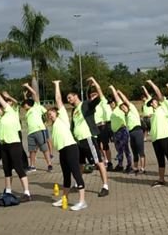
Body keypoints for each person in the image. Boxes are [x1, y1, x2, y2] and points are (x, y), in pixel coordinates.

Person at [0, 86, 31, 201]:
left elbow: (0, 99)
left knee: (18, 167)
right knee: (6, 169)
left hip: (14, 144)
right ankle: (8, 191)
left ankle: (26, 192)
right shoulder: (1, 119)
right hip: (4, 145)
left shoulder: (10, 112)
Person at [49, 80, 87, 211]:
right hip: (63, 151)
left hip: (71, 148)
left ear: (57, 113)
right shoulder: (54, 125)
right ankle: (64, 198)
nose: (50, 114)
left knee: (76, 173)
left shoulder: (63, 118)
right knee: (66, 175)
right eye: (48, 114)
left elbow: (58, 99)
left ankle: (82, 201)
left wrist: (57, 85)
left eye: (52, 112)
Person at [67, 78, 110, 196]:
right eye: (67, 99)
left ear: (76, 96)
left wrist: (95, 83)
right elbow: (73, 126)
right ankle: (78, 183)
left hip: (88, 138)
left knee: (98, 162)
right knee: (80, 164)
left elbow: (100, 97)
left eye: (70, 97)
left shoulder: (86, 104)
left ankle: (105, 186)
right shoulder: (74, 110)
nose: (69, 100)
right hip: (78, 141)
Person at [144, 79, 168, 188]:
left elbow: (159, 93)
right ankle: (161, 179)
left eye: (153, 101)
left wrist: (151, 83)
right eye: (151, 103)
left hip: (166, 137)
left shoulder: (164, 107)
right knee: (160, 159)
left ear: (158, 101)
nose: (152, 103)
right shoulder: (153, 114)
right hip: (156, 139)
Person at [22, 83, 53, 172]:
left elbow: (34, 94)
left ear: (28, 104)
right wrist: (25, 96)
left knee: (44, 148)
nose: (23, 107)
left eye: (24, 105)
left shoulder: (36, 106)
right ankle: (32, 166)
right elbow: (27, 102)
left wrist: (27, 86)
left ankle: (49, 164)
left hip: (39, 130)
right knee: (32, 150)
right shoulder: (27, 112)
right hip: (30, 133)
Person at [116, 88, 146, 174]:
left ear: (127, 106)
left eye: (124, 107)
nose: (123, 108)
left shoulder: (132, 109)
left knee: (141, 151)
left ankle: (142, 168)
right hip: (131, 133)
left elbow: (125, 100)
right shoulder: (125, 116)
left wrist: (119, 92)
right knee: (134, 152)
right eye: (122, 108)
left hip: (138, 131)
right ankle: (135, 168)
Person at [109, 95, 131, 173]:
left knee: (125, 149)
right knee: (119, 149)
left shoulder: (119, 108)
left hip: (122, 131)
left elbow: (119, 101)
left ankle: (129, 165)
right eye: (110, 103)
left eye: (112, 102)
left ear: (115, 102)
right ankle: (120, 165)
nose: (111, 104)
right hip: (115, 132)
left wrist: (115, 92)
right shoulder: (112, 112)